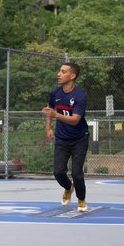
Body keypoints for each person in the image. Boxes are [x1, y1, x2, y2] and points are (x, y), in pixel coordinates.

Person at [43, 62, 89, 212]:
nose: (59, 74)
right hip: (62, 139)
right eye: (59, 71)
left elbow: (75, 120)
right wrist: (48, 128)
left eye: (63, 72)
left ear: (72, 76)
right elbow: (49, 110)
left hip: (79, 139)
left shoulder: (80, 96)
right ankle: (68, 188)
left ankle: (81, 199)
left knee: (77, 173)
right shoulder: (55, 93)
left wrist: (56, 115)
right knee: (58, 172)